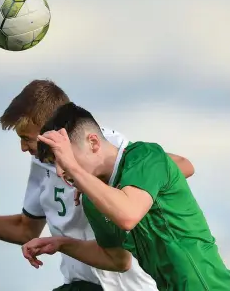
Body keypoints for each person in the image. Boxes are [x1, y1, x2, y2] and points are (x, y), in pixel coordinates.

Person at [0, 80, 194, 291]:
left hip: (128, 284)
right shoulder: (42, 164)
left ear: (53, 128)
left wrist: (97, 181)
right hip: (79, 284)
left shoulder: (100, 145)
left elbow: (182, 166)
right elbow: (26, 230)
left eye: (26, 138)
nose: (23, 148)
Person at [23, 102, 230, 291]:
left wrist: (76, 170)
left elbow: (128, 214)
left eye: (64, 158)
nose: (60, 171)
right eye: (55, 162)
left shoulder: (146, 157)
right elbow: (117, 260)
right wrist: (61, 244)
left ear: (93, 143)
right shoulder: (94, 200)